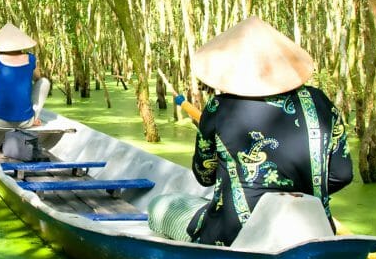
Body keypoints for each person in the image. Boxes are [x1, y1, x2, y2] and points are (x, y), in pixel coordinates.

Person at [148, 16, 353, 246]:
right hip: (314, 233)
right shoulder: (320, 102)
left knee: (157, 206)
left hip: (234, 236)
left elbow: (204, 175)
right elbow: (342, 175)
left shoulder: (219, 107)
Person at [0, 23, 50, 128]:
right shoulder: (31, 59)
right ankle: (33, 118)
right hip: (25, 122)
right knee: (44, 82)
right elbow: (38, 79)